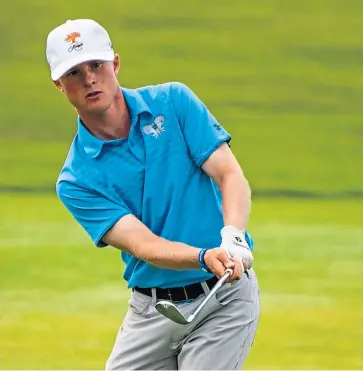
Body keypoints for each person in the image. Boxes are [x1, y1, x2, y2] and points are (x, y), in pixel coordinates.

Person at [45, 18, 260, 370]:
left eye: (96, 65)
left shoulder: (173, 102)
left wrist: (233, 234)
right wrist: (204, 255)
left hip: (223, 299)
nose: (88, 79)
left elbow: (229, 173)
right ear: (59, 84)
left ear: (114, 63)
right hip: (151, 311)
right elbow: (143, 244)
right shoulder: (76, 180)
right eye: (73, 73)